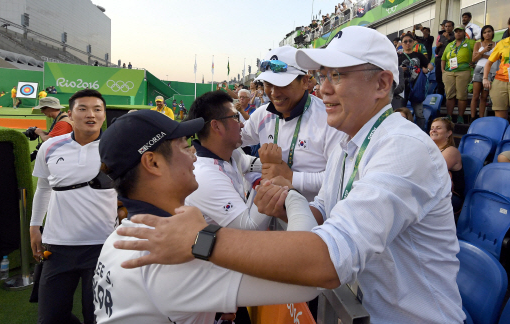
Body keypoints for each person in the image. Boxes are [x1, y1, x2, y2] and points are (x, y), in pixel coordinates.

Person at [113, 26, 465, 323]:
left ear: (382, 84)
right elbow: (323, 213)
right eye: (323, 75)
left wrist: (201, 239)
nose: (323, 88)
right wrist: (283, 201)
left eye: (337, 75)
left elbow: (328, 261)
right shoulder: (348, 141)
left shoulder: (403, 148)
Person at [94, 109, 320, 323]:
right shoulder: (171, 257)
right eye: (184, 148)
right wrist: (292, 196)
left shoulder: (116, 240)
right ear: (153, 163)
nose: (194, 157)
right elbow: (309, 275)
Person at [29, 89, 116, 324]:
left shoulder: (116, 149)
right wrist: (35, 226)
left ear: (104, 115)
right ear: (70, 114)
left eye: (98, 109)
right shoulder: (50, 147)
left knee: (97, 317)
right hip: (57, 245)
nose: (91, 114)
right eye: (83, 108)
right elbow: (44, 188)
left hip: (103, 246)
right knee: (50, 317)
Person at [242, 45, 345, 203]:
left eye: (282, 84)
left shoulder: (329, 118)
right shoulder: (261, 115)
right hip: (270, 218)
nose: (274, 93)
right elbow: (231, 144)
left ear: (304, 82)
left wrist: (291, 177)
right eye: (268, 84)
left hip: (314, 221)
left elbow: (340, 178)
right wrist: (253, 171)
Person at [184, 90, 269, 231]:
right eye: (236, 117)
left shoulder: (231, 155)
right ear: (216, 126)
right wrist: (271, 181)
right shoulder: (205, 176)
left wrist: (271, 162)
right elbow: (248, 228)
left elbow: (249, 164)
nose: (242, 124)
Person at [483, 12, 510, 121]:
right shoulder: (502, 43)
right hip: (500, 82)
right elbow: (489, 62)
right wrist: (485, 78)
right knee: (500, 118)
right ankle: (503, 138)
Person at [430, 117, 464, 216]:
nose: (434, 130)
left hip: (450, 196)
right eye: (432, 128)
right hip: (433, 192)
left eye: (438, 128)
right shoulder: (428, 149)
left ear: (449, 133)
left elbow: (432, 171)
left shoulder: (451, 151)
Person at [441, 24, 474, 124]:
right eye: (456, 31)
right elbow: (443, 59)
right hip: (449, 72)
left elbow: (477, 53)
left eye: (460, 31)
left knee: (461, 95)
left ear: (464, 33)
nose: (458, 33)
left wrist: (474, 62)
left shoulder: (470, 43)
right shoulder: (450, 44)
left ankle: (460, 117)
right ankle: (449, 116)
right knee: (449, 95)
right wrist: (443, 70)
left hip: (464, 71)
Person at [397, 33, 430, 130]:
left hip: (417, 88)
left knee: (419, 113)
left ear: (413, 42)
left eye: (410, 41)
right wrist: (399, 69)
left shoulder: (418, 55)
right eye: (405, 41)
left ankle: (421, 134)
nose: (408, 43)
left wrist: (427, 70)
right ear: (401, 44)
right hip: (401, 89)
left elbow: (429, 65)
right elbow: (390, 69)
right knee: (399, 114)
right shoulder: (397, 56)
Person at [470, 25, 496, 119]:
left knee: (484, 97)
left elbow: (497, 58)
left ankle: (481, 118)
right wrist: (483, 51)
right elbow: (474, 59)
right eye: (484, 32)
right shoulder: (478, 44)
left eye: (489, 31)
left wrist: (483, 55)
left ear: (492, 32)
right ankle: (472, 118)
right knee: (475, 95)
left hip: (490, 70)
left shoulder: (496, 44)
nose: (487, 34)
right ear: (482, 34)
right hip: (479, 68)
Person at [435, 20, 455, 98]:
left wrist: (449, 38)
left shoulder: (455, 36)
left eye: (449, 26)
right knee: (439, 79)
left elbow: (455, 46)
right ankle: (441, 99)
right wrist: (437, 46)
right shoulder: (441, 36)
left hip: (450, 59)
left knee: (451, 79)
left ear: (452, 27)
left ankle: (450, 97)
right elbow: (437, 51)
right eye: (446, 26)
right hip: (440, 59)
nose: (447, 28)